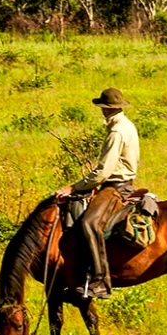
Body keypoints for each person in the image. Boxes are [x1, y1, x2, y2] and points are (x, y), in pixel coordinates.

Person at [54, 88, 139, 299]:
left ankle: (101, 281)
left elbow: (103, 171)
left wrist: (74, 187)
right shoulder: (125, 125)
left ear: (104, 108)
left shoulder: (117, 132)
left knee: (89, 223)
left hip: (115, 186)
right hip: (123, 181)